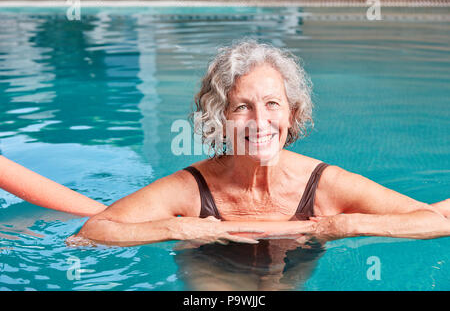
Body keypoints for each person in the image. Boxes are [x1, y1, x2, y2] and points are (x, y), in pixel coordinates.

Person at [1, 40, 449, 250]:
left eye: (273, 104)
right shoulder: (190, 189)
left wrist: (344, 227)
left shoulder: (323, 184)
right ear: (220, 118)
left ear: (292, 114)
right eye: (242, 108)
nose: (260, 122)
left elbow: (433, 222)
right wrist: (179, 228)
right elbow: (93, 231)